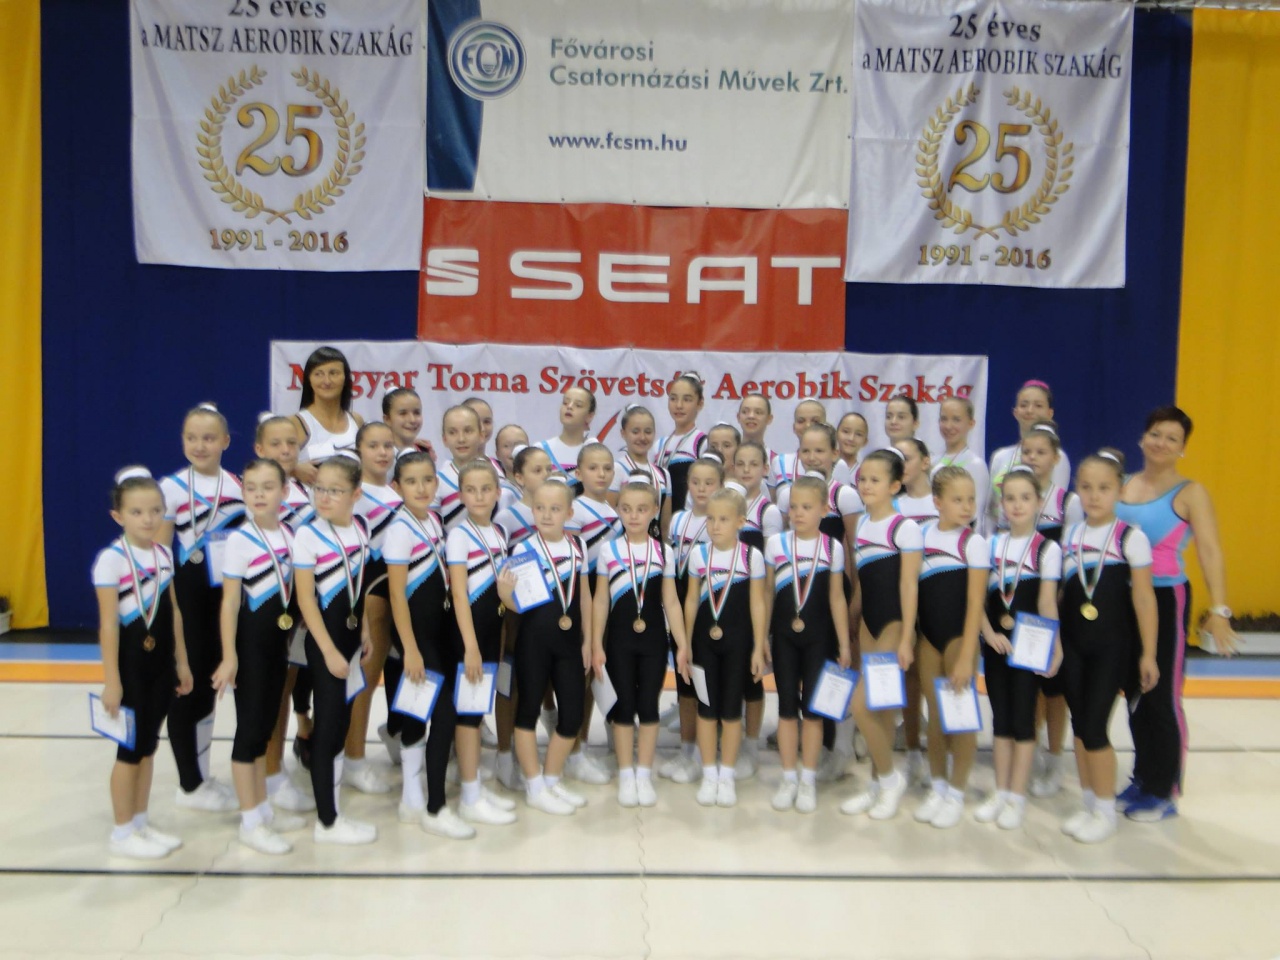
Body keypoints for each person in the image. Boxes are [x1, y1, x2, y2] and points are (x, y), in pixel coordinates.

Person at [1116, 405, 1236, 822]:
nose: (1161, 443)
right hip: (1123, 600)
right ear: (1142, 438)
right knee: (1134, 692)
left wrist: (1219, 609)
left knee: (1162, 695)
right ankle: (1143, 776)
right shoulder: (1123, 484)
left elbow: (1210, 550)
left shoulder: (1190, 493)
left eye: (1172, 438)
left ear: (1183, 448)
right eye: (1156, 434)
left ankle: (1164, 790)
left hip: (1166, 598)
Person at [94, 467, 193, 859]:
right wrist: (112, 681)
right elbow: (108, 625)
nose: (148, 519)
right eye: (137, 512)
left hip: (161, 663)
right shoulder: (112, 560)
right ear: (118, 516)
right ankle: (121, 832)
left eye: (155, 511)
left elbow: (173, 610)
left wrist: (182, 662)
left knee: (149, 746)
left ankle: (139, 822)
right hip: (131, 666)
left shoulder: (163, 553)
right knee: (130, 750)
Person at [1060, 450, 1159, 843]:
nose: (1094, 495)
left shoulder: (1131, 538)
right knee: (1079, 726)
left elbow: (1144, 600)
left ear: (1119, 490)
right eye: (1086, 487)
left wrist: (1148, 653)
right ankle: (1089, 803)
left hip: (1111, 648)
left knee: (1095, 727)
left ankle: (1105, 811)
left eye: (1103, 487)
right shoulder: (1071, 536)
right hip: (1073, 645)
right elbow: (1062, 596)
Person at [212, 458, 305, 854]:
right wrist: (229, 656)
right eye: (251, 488)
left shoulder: (289, 534)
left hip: (277, 647)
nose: (259, 495)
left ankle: (262, 807)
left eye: (268, 487)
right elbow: (230, 602)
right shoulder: (240, 540)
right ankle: (250, 820)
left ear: (284, 491)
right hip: (249, 648)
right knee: (249, 732)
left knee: (265, 728)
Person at [159, 403, 244, 813]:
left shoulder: (238, 486)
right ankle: (189, 785)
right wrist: (170, 606)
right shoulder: (172, 487)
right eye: (191, 438)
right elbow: (160, 555)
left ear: (225, 441)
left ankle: (203, 777)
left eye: (209, 438)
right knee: (188, 689)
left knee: (210, 689)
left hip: (223, 597)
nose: (200, 445)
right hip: (187, 599)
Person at [384, 451, 474, 839]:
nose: (421, 488)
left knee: (417, 712)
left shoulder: (433, 521)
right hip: (417, 637)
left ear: (437, 484)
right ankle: (435, 808)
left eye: (427, 480)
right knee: (444, 713)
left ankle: (410, 798)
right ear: (397, 487)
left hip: (437, 630)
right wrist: (410, 649)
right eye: (411, 481)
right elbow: (397, 595)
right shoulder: (400, 529)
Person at [292, 454, 378, 845]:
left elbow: (358, 589)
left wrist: (365, 631)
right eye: (319, 489)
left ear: (356, 494)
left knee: (341, 724)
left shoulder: (360, 529)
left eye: (335, 491)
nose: (324, 497)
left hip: (350, 639)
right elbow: (306, 600)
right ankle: (326, 822)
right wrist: (327, 651)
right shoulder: (309, 535)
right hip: (325, 642)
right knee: (326, 729)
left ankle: (335, 810)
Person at [593, 481, 691, 807]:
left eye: (641, 509)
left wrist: (682, 644)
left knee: (648, 705)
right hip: (619, 641)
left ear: (654, 511)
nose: (633, 516)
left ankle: (644, 773)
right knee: (623, 707)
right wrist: (596, 643)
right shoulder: (609, 551)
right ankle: (625, 773)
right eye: (626, 509)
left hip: (653, 641)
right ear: (618, 510)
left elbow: (671, 602)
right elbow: (601, 601)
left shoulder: (664, 552)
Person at [975, 466, 1062, 830]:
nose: (1017, 504)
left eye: (1025, 498)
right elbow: (976, 599)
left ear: (1039, 502)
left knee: (1024, 719)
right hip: (996, 643)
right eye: (1009, 498)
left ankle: (1017, 796)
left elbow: (1046, 602)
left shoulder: (1048, 549)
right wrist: (987, 633)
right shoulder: (990, 545)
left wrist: (1055, 647)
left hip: (1030, 644)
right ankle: (1000, 791)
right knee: (1001, 718)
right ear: (1001, 504)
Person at [501, 480, 594, 816]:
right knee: (527, 711)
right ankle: (534, 784)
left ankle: (552, 779)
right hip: (534, 642)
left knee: (572, 716)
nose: (546, 515)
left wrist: (589, 640)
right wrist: (504, 596)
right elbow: (518, 604)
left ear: (569, 512)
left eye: (555, 509)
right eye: (540, 508)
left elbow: (585, 595)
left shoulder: (578, 546)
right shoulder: (524, 549)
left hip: (569, 644)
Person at [840, 450, 923, 821]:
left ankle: (890, 780)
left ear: (895, 485)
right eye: (862, 479)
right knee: (881, 710)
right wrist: (852, 618)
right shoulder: (863, 526)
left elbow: (908, 585)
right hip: (868, 624)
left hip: (893, 625)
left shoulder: (904, 528)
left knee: (862, 704)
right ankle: (876, 784)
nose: (866, 485)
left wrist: (906, 638)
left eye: (875, 480)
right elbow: (863, 582)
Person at [765, 475, 850, 813]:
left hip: (820, 638)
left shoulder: (832, 548)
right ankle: (789, 776)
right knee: (787, 708)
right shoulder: (776, 545)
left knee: (813, 712)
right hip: (784, 637)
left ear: (824, 510)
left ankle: (808, 778)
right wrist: (762, 638)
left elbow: (837, 598)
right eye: (793, 507)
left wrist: (844, 643)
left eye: (807, 507)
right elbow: (767, 595)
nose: (798, 513)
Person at [913, 467, 987, 829]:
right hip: (927, 637)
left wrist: (967, 656)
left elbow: (975, 603)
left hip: (959, 638)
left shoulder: (973, 543)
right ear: (937, 502)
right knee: (936, 717)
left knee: (960, 717)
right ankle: (938, 786)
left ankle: (957, 792)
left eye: (971, 499)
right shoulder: (922, 535)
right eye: (958, 499)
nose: (967, 506)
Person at [446, 459, 519, 826]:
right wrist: (470, 647)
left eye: (485, 489)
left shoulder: (499, 533)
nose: (479, 496)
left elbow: (500, 590)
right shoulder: (459, 535)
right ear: (461, 495)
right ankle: (469, 796)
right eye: (471, 490)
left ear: (497, 493)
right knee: (468, 713)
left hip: (491, 630)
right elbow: (460, 594)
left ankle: (473, 784)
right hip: (468, 634)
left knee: (476, 712)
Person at [684, 488, 767, 808]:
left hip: (738, 644)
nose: (715, 526)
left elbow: (758, 603)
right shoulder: (699, 555)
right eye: (710, 519)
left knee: (732, 712)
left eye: (723, 519)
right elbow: (692, 600)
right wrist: (686, 643)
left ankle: (727, 774)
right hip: (704, 645)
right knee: (706, 710)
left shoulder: (751, 557)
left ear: (740, 522)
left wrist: (758, 647)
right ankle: (709, 773)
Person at [252, 414, 316, 814]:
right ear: (259, 449)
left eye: (292, 443)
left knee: (287, 688)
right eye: (276, 444)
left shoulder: (307, 491)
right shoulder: (255, 494)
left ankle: (274, 768)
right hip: (265, 608)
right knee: (270, 693)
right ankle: (269, 773)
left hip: (300, 606)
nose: (286, 450)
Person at [1016, 420, 1083, 798]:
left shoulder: (1067, 503)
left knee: (1054, 688)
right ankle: (1033, 748)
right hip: (1020, 603)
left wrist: (1056, 605)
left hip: (1054, 605)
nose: (1033, 458)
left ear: (1056, 458)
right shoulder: (1014, 497)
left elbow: (1071, 557)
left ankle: (1055, 757)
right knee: (1029, 686)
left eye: (1041, 452)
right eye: (1027, 452)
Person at [342, 422, 402, 794]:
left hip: (396, 590)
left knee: (384, 672)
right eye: (373, 446)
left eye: (387, 446)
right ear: (359, 450)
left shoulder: (395, 493)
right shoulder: (355, 495)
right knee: (364, 678)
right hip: (369, 593)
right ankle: (353, 759)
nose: (382, 453)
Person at [657, 455, 721, 784]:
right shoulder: (680, 519)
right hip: (681, 606)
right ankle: (686, 750)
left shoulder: (718, 521)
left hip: (710, 606)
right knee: (684, 682)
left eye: (709, 483)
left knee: (704, 682)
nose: (701, 489)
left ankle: (702, 755)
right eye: (695, 482)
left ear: (721, 485)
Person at [563, 442, 622, 785]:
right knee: (581, 680)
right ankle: (575, 749)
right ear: (578, 472)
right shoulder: (576, 511)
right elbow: (574, 566)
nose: (601, 474)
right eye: (593, 468)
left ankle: (597, 743)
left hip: (610, 604)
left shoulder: (615, 510)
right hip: (581, 603)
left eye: (607, 468)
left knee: (602, 673)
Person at [893, 437, 938, 788]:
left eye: (906, 458)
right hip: (903, 599)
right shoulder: (894, 504)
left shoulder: (942, 500)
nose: (902, 464)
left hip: (938, 600)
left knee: (936, 680)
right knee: (909, 681)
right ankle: (912, 753)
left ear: (925, 461)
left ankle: (942, 757)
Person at [985, 380, 1071, 534]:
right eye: (1024, 405)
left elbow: (1053, 507)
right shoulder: (1000, 457)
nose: (1030, 410)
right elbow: (990, 511)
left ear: (1050, 413)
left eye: (1038, 405)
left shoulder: (1058, 458)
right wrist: (991, 541)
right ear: (1015, 412)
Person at [292, 346, 363, 487]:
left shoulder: (357, 421)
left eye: (334, 373)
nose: (327, 381)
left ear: (345, 378)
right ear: (309, 379)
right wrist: (294, 469)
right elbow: (270, 467)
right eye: (318, 374)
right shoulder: (295, 423)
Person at [607, 404, 673, 541]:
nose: (642, 437)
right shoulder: (616, 470)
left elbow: (665, 526)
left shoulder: (663, 475)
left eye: (648, 432)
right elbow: (610, 521)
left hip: (654, 546)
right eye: (635, 432)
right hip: (624, 545)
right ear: (623, 433)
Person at [931, 397, 990, 525]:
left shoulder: (976, 465)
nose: (948, 426)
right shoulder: (932, 462)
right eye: (944, 419)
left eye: (956, 420)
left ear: (971, 423)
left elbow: (976, 514)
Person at [657, 373, 708, 513]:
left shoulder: (703, 443)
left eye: (687, 399)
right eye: (673, 398)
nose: (679, 406)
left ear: (700, 403)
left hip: (688, 519)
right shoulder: (659, 445)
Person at [433, 405, 487, 533]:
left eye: (468, 431)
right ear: (444, 439)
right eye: (452, 432)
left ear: (481, 435)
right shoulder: (437, 482)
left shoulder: (497, 475)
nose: (461, 439)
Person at [539, 387, 597, 495]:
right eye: (565, 403)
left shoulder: (595, 453)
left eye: (578, 405)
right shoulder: (540, 450)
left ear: (590, 416)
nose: (569, 407)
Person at [769, 399, 826, 492]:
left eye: (815, 421)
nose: (808, 425)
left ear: (825, 425)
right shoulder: (780, 462)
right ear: (794, 427)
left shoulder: (836, 464)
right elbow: (772, 499)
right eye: (801, 421)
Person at [736, 393, 776, 477]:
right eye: (745, 412)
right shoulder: (729, 457)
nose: (751, 416)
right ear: (738, 417)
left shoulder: (775, 461)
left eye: (758, 412)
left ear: (769, 419)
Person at [833, 412, 870, 487]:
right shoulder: (826, 467)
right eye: (846, 431)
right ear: (836, 434)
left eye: (858, 434)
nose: (851, 438)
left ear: (865, 441)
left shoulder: (865, 474)